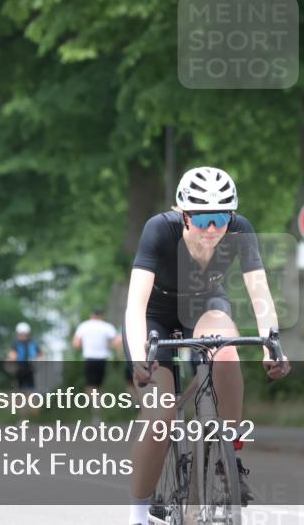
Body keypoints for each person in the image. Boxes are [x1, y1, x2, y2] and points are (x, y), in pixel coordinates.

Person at [123, 166, 291, 525]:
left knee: (227, 352)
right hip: (155, 316)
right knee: (160, 417)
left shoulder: (240, 230)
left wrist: (271, 345)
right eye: (202, 219)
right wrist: (140, 356)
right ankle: (138, 515)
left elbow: (259, 293)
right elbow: (136, 303)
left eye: (220, 218)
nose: (212, 230)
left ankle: (227, 457)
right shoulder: (158, 229)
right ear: (184, 216)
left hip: (204, 306)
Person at [73, 309, 120, 420]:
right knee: (99, 386)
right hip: (103, 359)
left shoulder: (84, 326)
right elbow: (118, 341)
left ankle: (96, 411)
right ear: (102, 316)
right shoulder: (106, 326)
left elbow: (76, 344)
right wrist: (110, 347)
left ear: (91, 315)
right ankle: (98, 407)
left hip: (90, 358)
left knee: (90, 386)